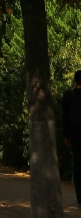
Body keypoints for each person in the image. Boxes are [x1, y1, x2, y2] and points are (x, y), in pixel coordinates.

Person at [63, 70, 81, 203]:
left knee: (77, 164)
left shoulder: (68, 95)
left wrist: (67, 136)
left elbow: (65, 118)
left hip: (75, 134)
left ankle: (79, 197)